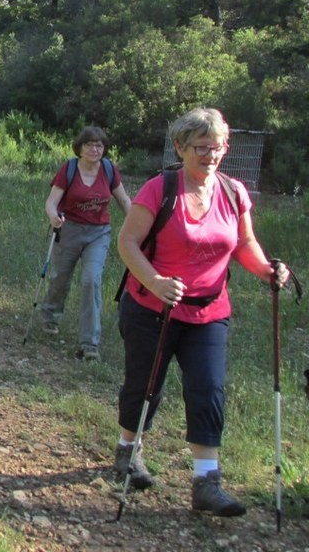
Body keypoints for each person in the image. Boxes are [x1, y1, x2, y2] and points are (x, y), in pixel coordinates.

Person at [113, 107, 290, 517]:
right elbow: (128, 243)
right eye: (201, 148)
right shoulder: (160, 189)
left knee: (208, 389)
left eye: (218, 147)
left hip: (209, 311)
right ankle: (128, 450)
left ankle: (206, 481)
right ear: (180, 147)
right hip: (150, 308)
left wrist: (267, 270)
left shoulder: (233, 192)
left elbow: (244, 244)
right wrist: (156, 280)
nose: (211, 155)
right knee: (145, 385)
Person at [40, 126, 131, 361]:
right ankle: (50, 315)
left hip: (98, 233)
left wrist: (137, 225)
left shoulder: (109, 170)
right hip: (68, 229)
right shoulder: (69, 169)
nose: (95, 149)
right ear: (80, 148)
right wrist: (53, 216)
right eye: (90, 144)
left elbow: (123, 200)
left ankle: (89, 343)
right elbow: (52, 202)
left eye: (99, 145)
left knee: (91, 280)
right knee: (60, 276)